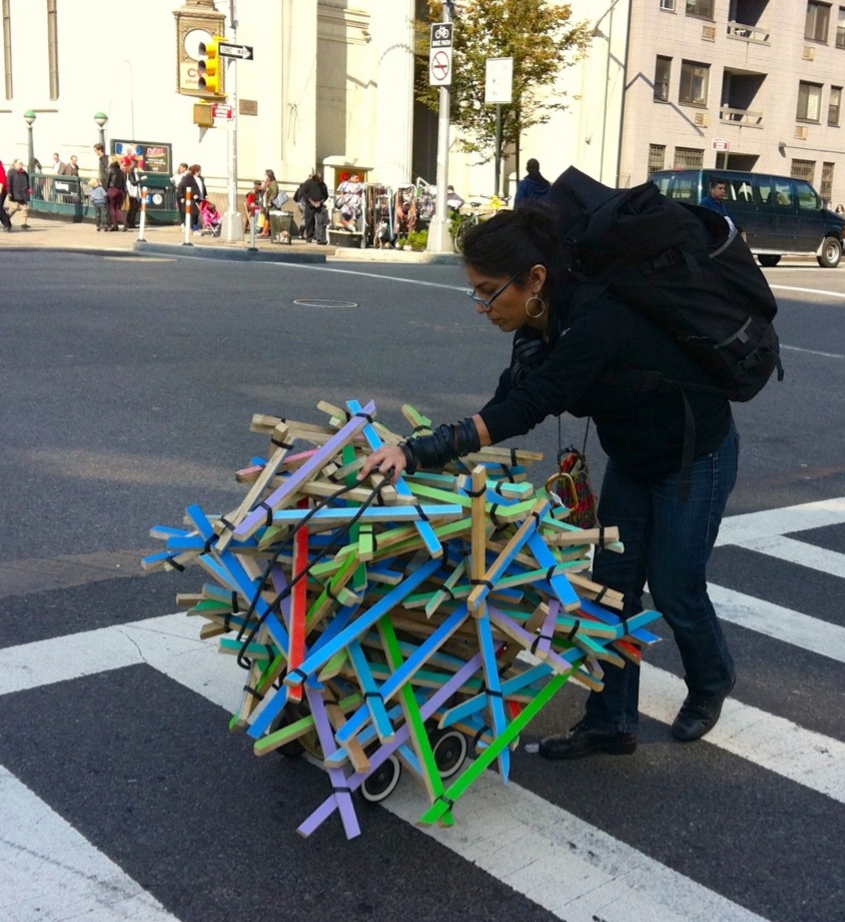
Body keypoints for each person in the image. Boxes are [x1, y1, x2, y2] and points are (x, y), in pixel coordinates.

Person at [360, 202, 741, 758]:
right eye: (474, 292)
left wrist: (417, 452)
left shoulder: (594, 321)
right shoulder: (540, 322)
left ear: (535, 279)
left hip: (694, 453)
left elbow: (527, 407)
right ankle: (611, 721)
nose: (481, 307)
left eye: (488, 291)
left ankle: (712, 679)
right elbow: (509, 396)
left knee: (675, 586)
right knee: (611, 589)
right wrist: (434, 449)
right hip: (633, 456)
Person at [294, 171, 328, 242]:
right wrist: (310, 201)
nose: (320, 180)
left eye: (321, 179)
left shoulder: (323, 185)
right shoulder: (309, 182)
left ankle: (319, 238)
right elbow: (303, 192)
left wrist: (321, 201)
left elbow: (326, 195)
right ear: (316, 177)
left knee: (319, 221)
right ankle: (309, 237)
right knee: (309, 221)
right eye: (319, 179)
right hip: (309, 204)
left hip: (319, 205)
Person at [177, 163, 206, 229]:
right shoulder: (188, 178)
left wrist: (205, 195)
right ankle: (189, 227)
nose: (199, 172)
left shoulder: (201, 178)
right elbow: (181, 186)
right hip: (192, 199)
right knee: (192, 213)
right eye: (198, 171)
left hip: (200, 198)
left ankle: (195, 227)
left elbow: (203, 187)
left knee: (198, 214)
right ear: (194, 171)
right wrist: (181, 196)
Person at [6, 159, 31, 230]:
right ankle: (5, 219)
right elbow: (8, 182)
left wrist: (29, 190)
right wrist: (9, 191)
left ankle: (23, 223)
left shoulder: (24, 173)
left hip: (23, 193)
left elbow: (27, 183)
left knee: (25, 208)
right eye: (19, 163)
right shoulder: (11, 172)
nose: (21, 165)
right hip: (15, 193)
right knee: (14, 207)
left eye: (21, 163)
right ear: (15, 164)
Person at [104, 157, 126, 231]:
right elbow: (123, 182)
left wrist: (105, 190)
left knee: (112, 208)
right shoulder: (121, 171)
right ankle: (125, 223)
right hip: (120, 190)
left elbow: (107, 181)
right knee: (118, 208)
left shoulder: (110, 169)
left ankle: (115, 225)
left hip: (112, 189)